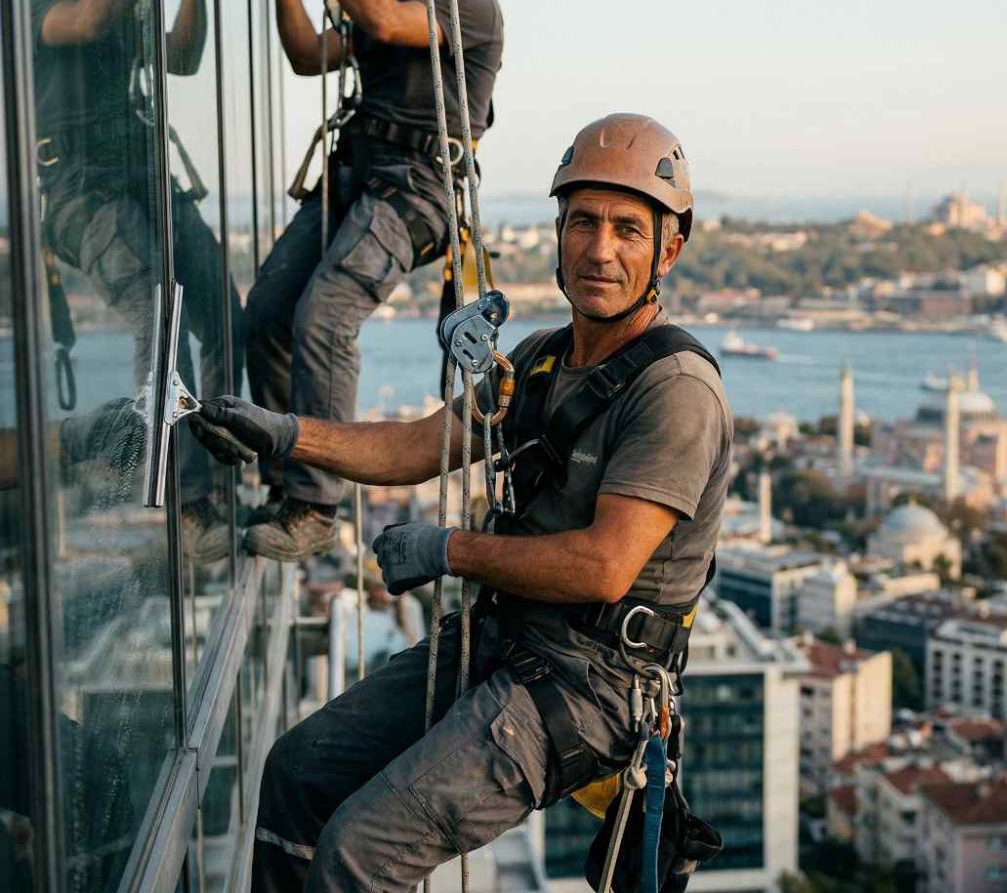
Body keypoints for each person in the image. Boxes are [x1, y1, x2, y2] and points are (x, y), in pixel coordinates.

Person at [189, 114, 731, 893]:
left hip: (587, 688)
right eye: (583, 223)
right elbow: (419, 446)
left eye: (627, 230)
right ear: (558, 231)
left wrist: (449, 551)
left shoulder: (675, 392)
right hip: (505, 639)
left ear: (667, 250)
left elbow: (604, 566)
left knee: (361, 852)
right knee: (298, 771)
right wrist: (286, 435)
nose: (600, 250)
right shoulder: (543, 361)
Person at [243, 0, 503, 560]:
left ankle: (315, 506)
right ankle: (283, 484)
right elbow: (309, 56)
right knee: (266, 311)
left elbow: (383, 21)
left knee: (325, 315)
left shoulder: (468, 6)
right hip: (357, 171)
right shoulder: (380, 6)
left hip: (416, 185)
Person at [31, 0, 243, 561]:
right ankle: (190, 499)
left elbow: (181, 56)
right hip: (81, 189)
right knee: (161, 318)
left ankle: (223, 462)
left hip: (140, 173)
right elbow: (87, 20)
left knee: (227, 316)